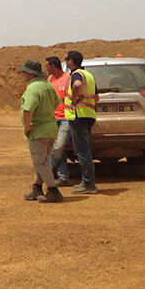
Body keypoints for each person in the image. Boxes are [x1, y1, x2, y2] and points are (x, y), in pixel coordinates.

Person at [17, 59, 63, 203]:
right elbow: (56, 103)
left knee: (40, 162)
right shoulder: (48, 86)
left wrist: (27, 127)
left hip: (38, 130)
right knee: (43, 161)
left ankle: (53, 190)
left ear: (30, 74)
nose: (23, 74)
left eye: (24, 72)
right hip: (50, 129)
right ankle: (37, 188)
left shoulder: (32, 89)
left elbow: (28, 109)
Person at [65, 50, 99, 194]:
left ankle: (88, 183)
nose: (66, 61)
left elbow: (77, 85)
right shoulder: (89, 75)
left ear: (71, 61)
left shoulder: (76, 75)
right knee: (85, 150)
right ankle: (88, 182)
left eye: (66, 59)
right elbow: (97, 97)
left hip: (78, 116)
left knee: (82, 151)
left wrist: (74, 100)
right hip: (88, 116)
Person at [46, 56, 72, 186]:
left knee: (59, 147)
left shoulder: (68, 78)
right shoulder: (50, 79)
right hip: (52, 118)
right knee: (58, 149)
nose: (46, 69)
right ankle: (63, 177)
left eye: (47, 66)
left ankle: (45, 173)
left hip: (65, 118)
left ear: (53, 66)